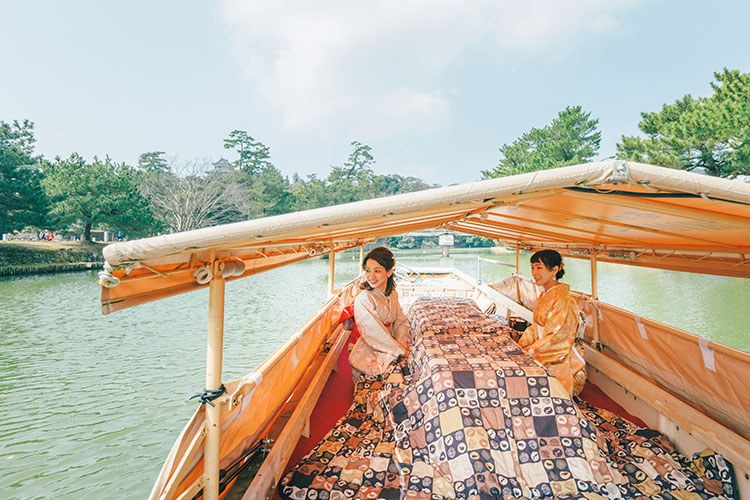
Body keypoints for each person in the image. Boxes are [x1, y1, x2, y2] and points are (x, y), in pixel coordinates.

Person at [518, 249, 586, 396]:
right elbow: (536, 329)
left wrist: (529, 352)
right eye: (532, 267)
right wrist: (521, 346)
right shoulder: (545, 294)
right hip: (543, 349)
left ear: (554, 270)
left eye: (539, 267)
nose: (534, 272)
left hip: (558, 359)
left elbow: (557, 338)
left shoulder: (562, 299)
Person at [349, 246, 409, 380]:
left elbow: (400, 321)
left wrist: (402, 343)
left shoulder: (392, 294)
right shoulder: (364, 298)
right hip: (371, 347)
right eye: (368, 271)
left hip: (391, 343)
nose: (371, 276)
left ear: (389, 272)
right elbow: (373, 332)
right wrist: (399, 351)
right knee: (398, 376)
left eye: (377, 271)